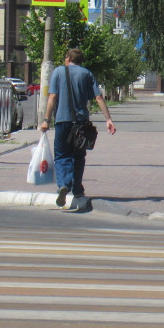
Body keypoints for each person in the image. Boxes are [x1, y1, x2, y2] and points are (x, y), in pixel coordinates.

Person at [39, 48, 116, 212]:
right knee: (78, 156)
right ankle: (78, 190)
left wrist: (46, 120)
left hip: (62, 121)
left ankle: (63, 185)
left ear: (67, 58)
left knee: (61, 156)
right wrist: (108, 119)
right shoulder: (87, 74)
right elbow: (98, 97)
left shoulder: (58, 72)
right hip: (81, 123)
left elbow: (52, 97)